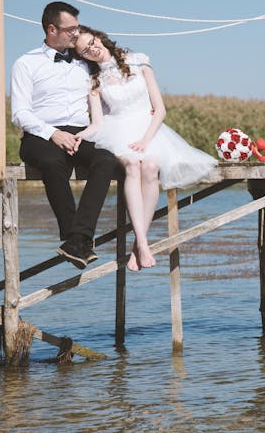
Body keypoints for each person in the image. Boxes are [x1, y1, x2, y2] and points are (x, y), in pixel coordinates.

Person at [73, 26, 219, 272]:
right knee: (132, 165)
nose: (93, 49)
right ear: (84, 57)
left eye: (92, 42)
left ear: (100, 37)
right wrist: (78, 135)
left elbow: (160, 109)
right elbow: (97, 122)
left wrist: (145, 140)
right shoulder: (94, 82)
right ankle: (142, 244)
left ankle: (137, 248)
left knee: (150, 167)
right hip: (117, 130)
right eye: (86, 51)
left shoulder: (139, 61)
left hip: (149, 128)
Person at [11, 2, 118, 270]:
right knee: (51, 162)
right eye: (70, 29)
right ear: (51, 29)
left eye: (77, 28)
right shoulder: (26, 63)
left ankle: (77, 240)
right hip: (40, 134)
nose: (75, 33)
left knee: (106, 159)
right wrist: (53, 133)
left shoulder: (84, 64)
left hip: (81, 133)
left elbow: (110, 80)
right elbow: (19, 113)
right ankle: (76, 238)